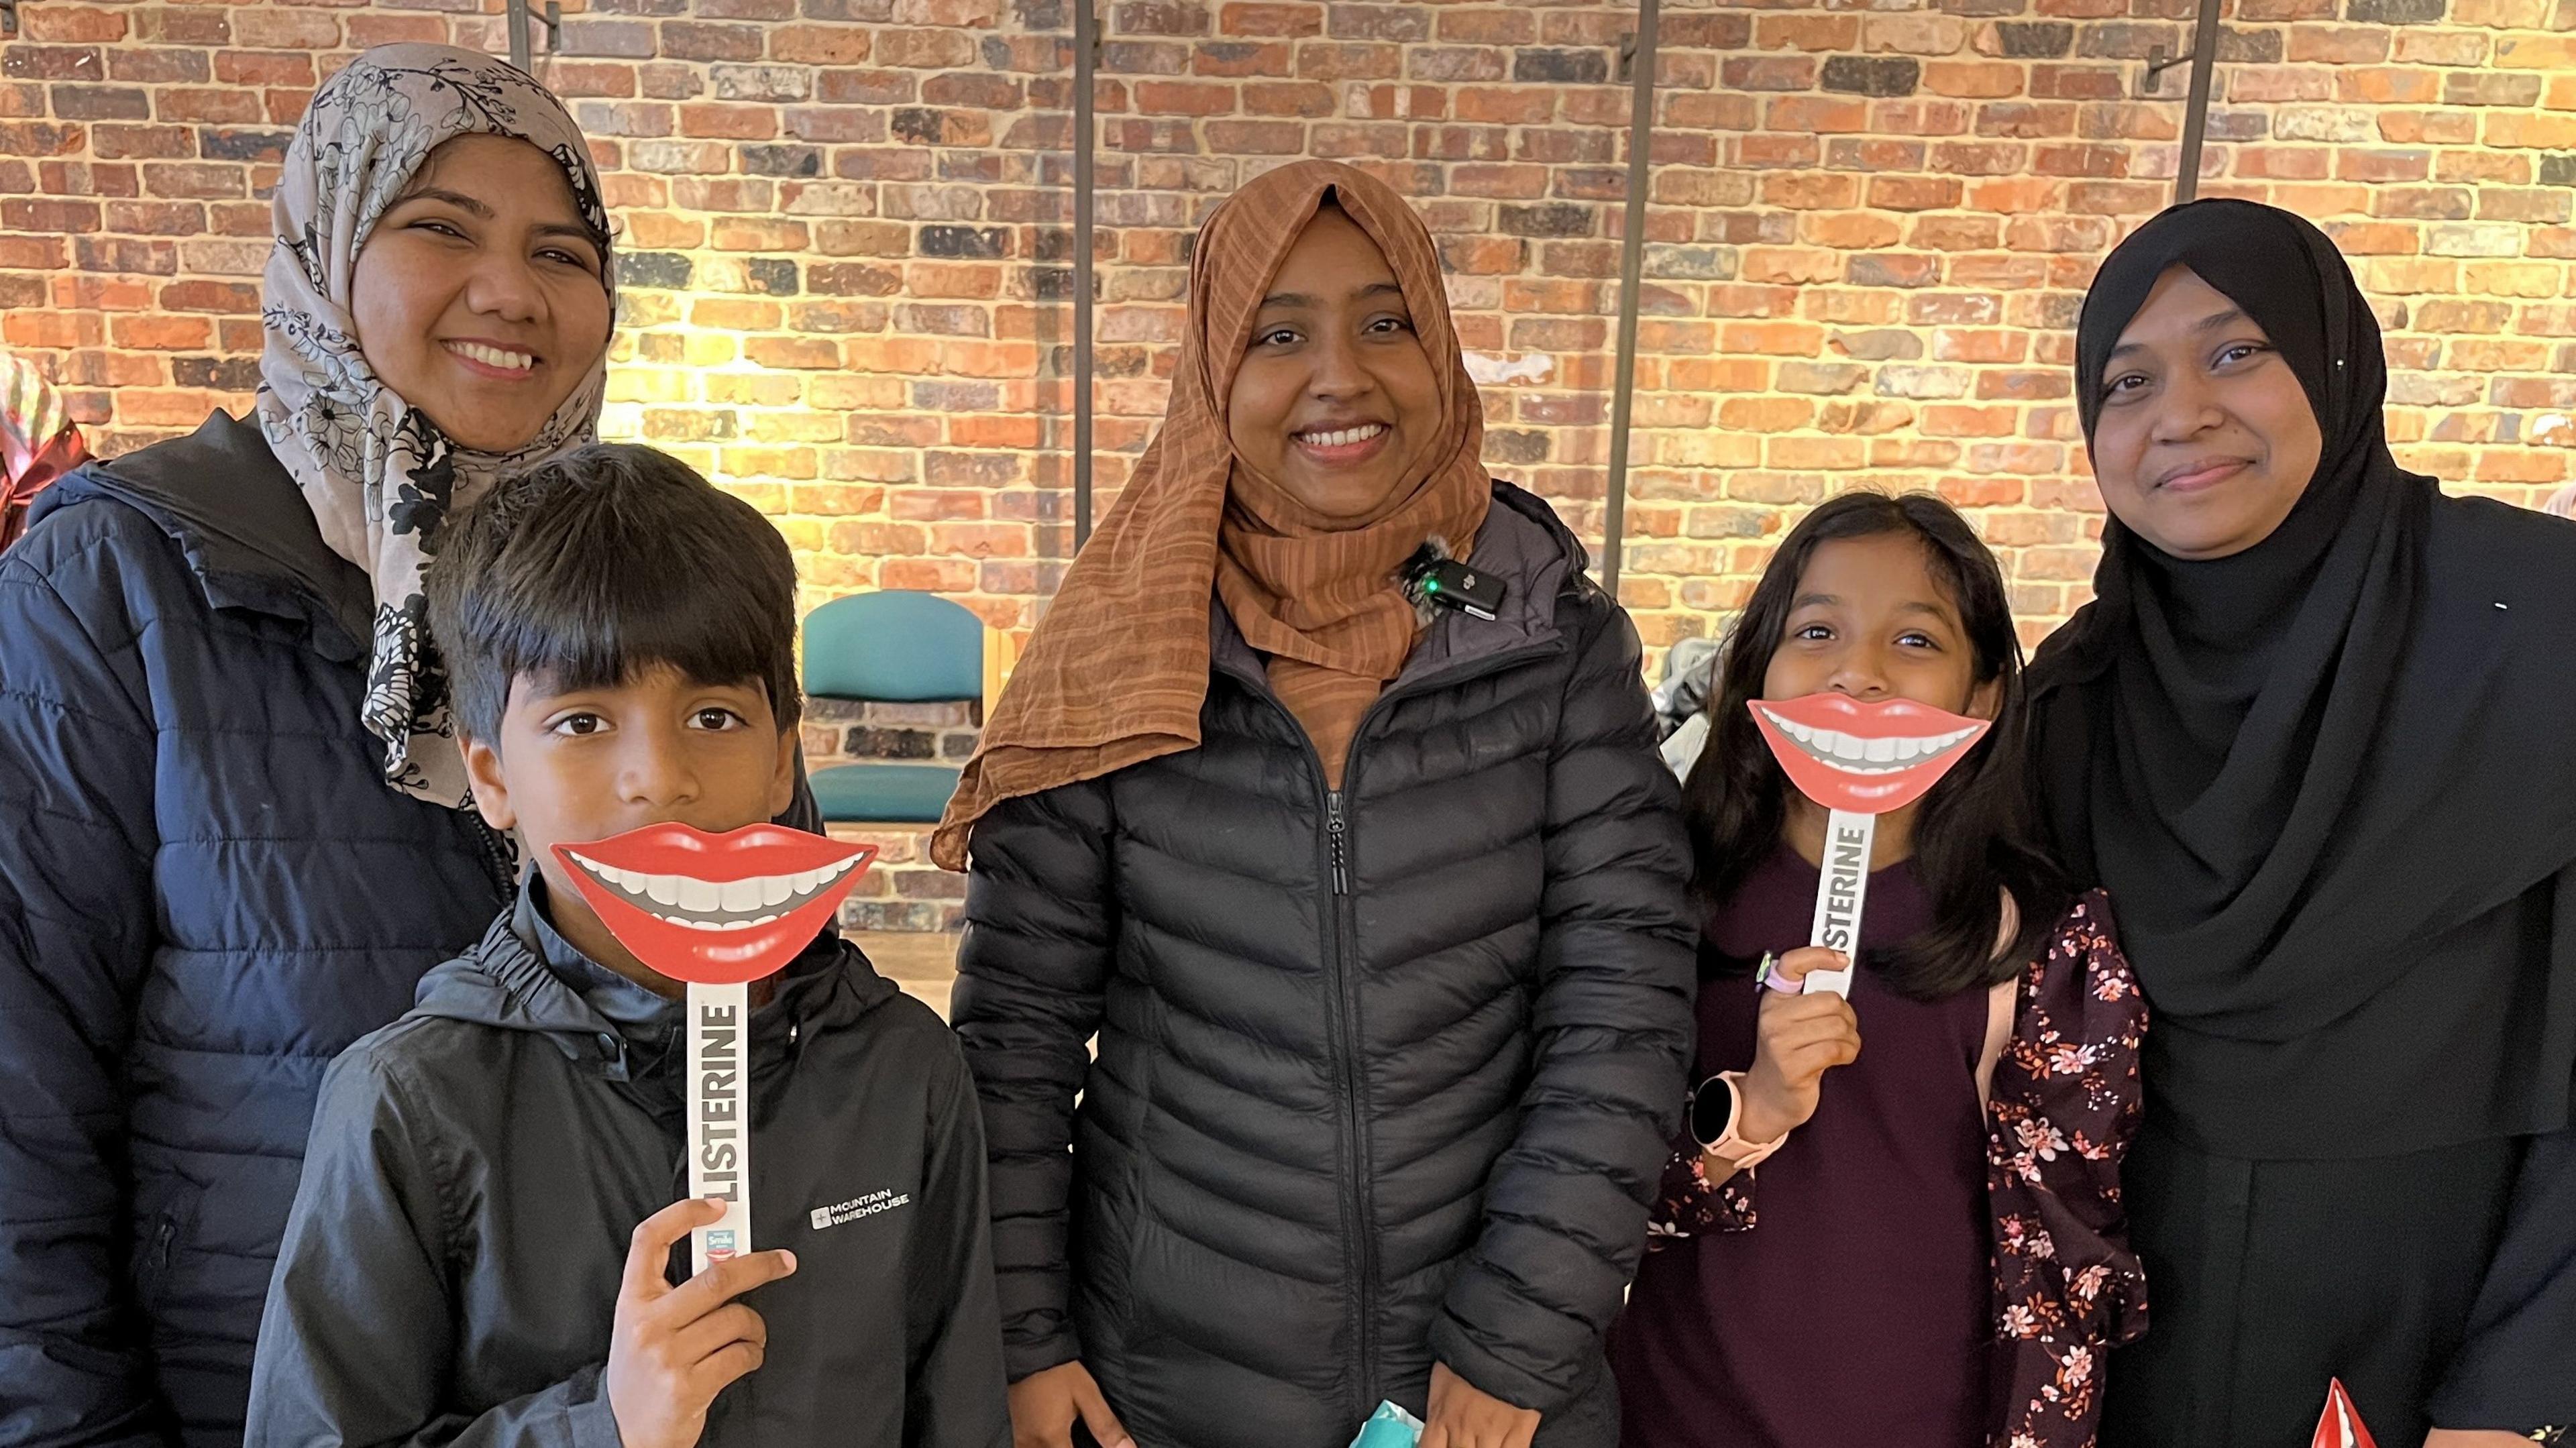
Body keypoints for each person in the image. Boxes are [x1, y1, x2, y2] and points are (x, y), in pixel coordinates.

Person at [934, 160, 1695, 1448]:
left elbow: (1622, 1005)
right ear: (1212, 370)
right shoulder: (1119, 651)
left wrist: (1519, 1335)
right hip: (1167, 1377)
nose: (1339, 375)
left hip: (1491, 1386)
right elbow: (1015, 1034)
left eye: (1386, 322)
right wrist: (1026, 1337)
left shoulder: (1556, 642)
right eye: (1278, 332)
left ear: (1442, 350)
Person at [0, 45, 659, 1445]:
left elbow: (760, 983)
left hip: (607, 1390)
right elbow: (18, 1082)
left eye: (562, 249)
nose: (512, 292)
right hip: (245, 1391)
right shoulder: (118, 577)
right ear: (327, 243)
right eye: (439, 228)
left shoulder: (641, 579)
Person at [244, 443, 1010, 1447]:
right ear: (491, 777)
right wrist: (602, 1427)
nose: (660, 777)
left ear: (785, 758)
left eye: (714, 715)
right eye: (582, 721)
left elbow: (958, 1406)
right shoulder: (411, 1101)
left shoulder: (905, 1067)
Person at [2028, 199, 2576, 1447]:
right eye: (2128, 379)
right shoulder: (2079, 699)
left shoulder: (2539, 634)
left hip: (2444, 1349)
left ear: (2336, 362)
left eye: (2237, 352)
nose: (2182, 413)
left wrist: (2517, 1399)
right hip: (2121, 1361)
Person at [1610, 491, 2147, 1448]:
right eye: (1817, 630)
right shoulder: (1657, 895)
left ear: (1982, 696)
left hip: (1915, 1418)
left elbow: (2060, 1252)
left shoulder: (2039, 940)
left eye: (1916, 642)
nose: (1856, 673)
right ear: (1759, 669)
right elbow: (1586, 1191)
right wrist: (1748, 1117)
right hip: (1669, 1415)